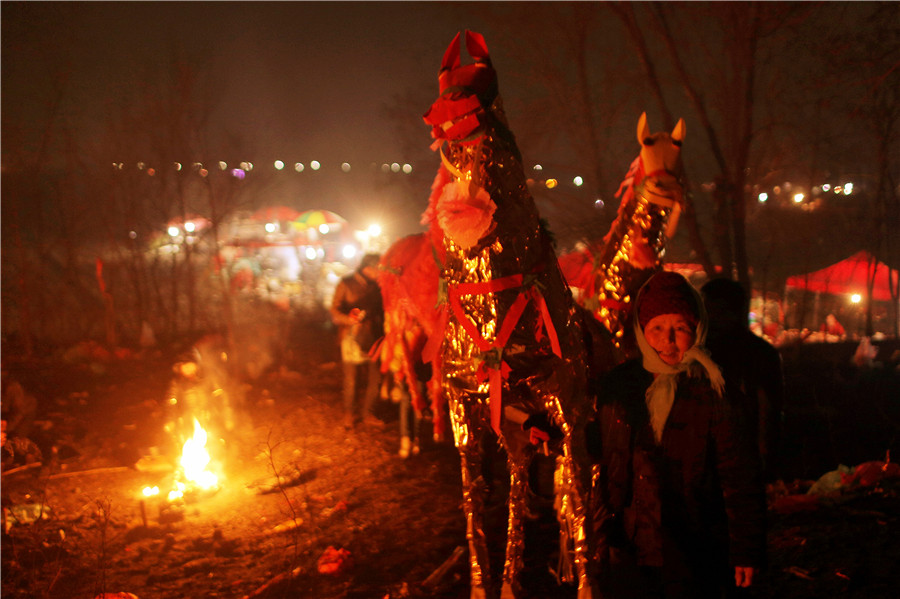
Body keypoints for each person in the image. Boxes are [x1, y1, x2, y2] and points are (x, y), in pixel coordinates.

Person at [588, 271, 766, 598]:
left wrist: (746, 550)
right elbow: (594, 443)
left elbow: (739, 476)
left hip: (694, 548)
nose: (668, 340)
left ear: (697, 329)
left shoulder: (716, 390)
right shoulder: (619, 385)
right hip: (626, 543)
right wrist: (550, 427)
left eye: (680, 328)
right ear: (642, 331)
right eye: (657, 328)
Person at [701, 278, 785, 482]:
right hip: (707, 453)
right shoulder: (699, 351)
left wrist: (763, 453)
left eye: (712, 310)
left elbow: (768, 407)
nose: (707, 317)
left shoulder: (757, 354)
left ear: (730, 312)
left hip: (741, 455)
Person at [330, 253, 385, 429]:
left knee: (375, 378)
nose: (380, 272)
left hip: (374, 336)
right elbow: (334, 310)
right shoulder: (346, 284)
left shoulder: (379, 287)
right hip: (351, 338)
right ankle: (349, 414)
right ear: (368, 269)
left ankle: (368, 413)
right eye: (378, 268)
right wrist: (350, 320)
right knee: (351, 380)